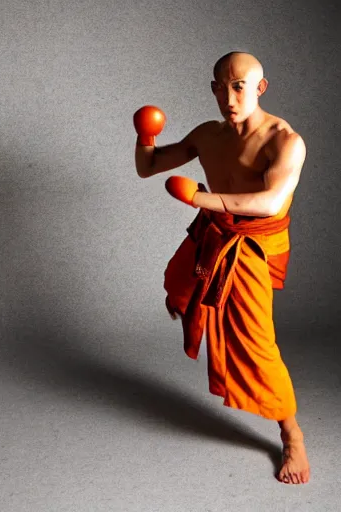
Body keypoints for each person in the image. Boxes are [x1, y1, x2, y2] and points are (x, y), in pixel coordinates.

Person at [133, 51, 310, 485]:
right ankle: (194, 303)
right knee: (178, 282)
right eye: (223, 87)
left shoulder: (284, 141)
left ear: (260, 88)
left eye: (241, 86)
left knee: (256, 344)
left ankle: (292, 436)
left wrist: (200, 198)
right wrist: (144, 135)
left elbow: (269, 201)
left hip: (252, 245)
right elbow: (149, 168)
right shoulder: (207, 135)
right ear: (213, 89)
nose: (230, 97)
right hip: (214, 232)